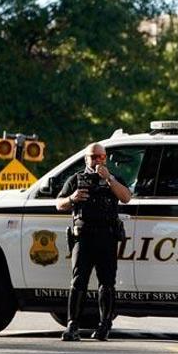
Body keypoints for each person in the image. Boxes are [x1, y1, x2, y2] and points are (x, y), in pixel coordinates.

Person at [56, 143, 131, 342]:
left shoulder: (112, 178)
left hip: (107, 235)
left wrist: (109, 179)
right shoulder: (76, 179)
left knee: (107, 282)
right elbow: (58, 203)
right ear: (86, 159)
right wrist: (72, 198)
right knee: (78, 281)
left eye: (101, 157)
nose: (97, 160)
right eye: (93, 157)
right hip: (84, 235)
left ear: (105, 159)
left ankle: (105, 325)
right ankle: (72, 326)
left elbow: (126, 198)